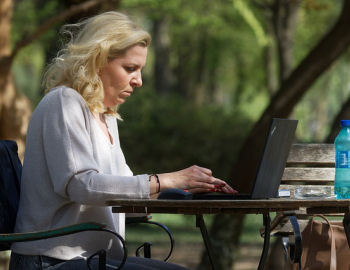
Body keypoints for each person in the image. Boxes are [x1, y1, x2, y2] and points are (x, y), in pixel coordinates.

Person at [9, 11, 236, 270]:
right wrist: (168, 179)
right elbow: (81, 186)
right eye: (130, 68)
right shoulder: (64, 102)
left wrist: (183, 192)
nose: (139, 81)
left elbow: (123, 194)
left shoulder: (105, 116)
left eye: (139, 70)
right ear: (97, 60)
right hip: (51, 260)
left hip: (98, 258)